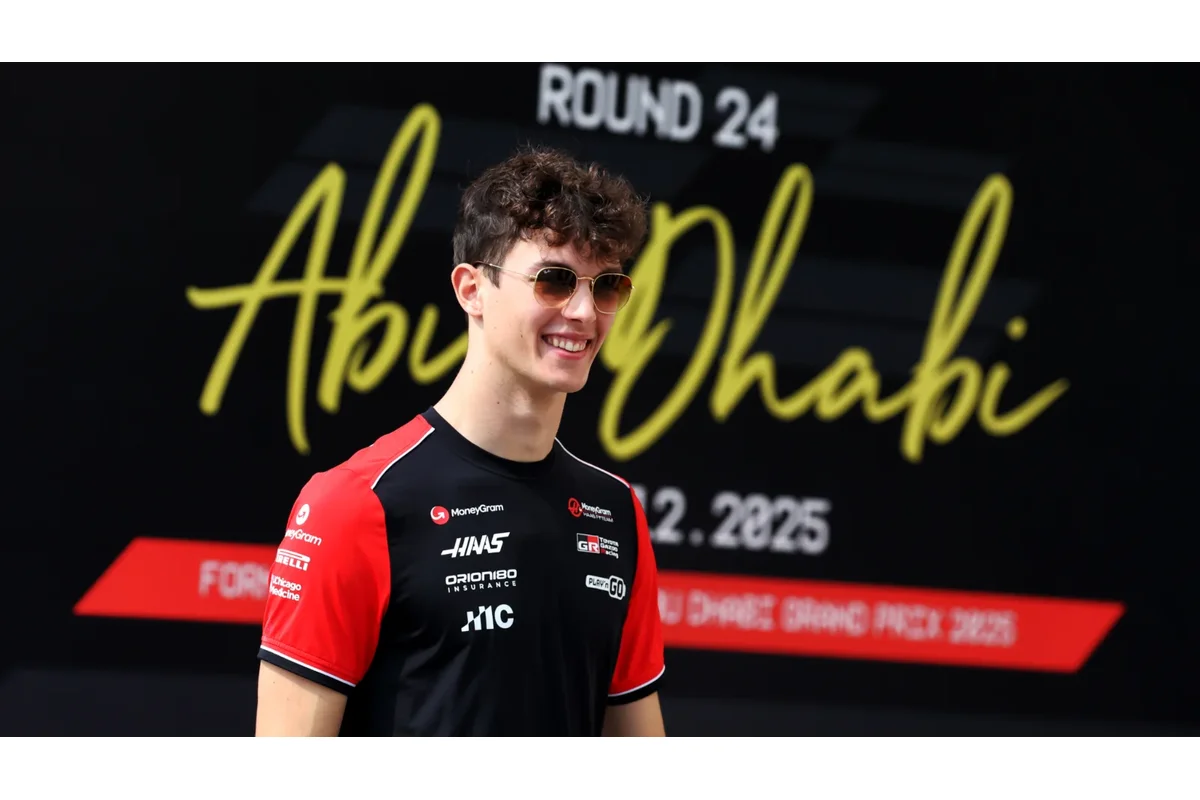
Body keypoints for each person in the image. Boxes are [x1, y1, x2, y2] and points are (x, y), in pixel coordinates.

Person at [254, 146, 666, 736]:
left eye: (606, 287)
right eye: (553, 281)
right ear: (471, 289)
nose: (583, 311)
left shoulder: (615, 511)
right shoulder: (355, 502)